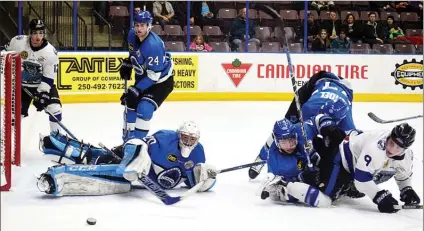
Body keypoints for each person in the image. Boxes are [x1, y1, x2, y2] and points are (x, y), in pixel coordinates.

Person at [262, 123, 420, 213]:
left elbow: (403, 174)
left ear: (405, 149)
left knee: (353, 192)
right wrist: (379, 196)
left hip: (357, 163)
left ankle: (331, 178)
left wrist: (406, 190)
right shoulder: (376, 148)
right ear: (389, 136)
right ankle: (283, 189)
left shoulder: (407, 157)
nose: (391, 149)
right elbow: (362, 181)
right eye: (391, 142)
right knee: (324, 200)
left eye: (398, 148)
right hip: (342, 156)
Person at [36, 121, 217, 197]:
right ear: (179, 135)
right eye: (185, 137)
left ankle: (60, 173)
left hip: (137, 181)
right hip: (129, 160)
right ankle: (53, 143)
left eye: (192, 139)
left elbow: (193, 179)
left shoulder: (198, 152)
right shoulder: (164, 138)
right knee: (94, 157)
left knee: (98, 165)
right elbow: (136, 142)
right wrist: (135, 161)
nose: (188, 142)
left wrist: (207, 178)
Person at [249, 71, 355, 179]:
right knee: (286, 129)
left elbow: (351, 147)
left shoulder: (346, 122)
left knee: (333, 143)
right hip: (315, 85)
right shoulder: (308, 109)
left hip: (338, 89)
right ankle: (261, 158)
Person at [119, 10, 174, 142]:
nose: (139, 29)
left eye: (142, 25)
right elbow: (134, 53)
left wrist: (137, 89)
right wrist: (129, 63)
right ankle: (127, 142)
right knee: (130, 104)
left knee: (144, 108)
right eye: (137, 25)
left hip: (161, 82)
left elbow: (154, 75)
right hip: (145, 77)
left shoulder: (153, 45)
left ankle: (138, 144)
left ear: (149, 26)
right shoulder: (132, 35)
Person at [0, 19, 62, 134]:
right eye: (35, 33)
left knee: (54, 108)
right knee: (15, 115)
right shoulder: (18, 42)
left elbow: (48, 78)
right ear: (30, 33)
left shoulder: (50, 52)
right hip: (21, 87)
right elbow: (4, 52)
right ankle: (4, 138)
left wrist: (42, 93)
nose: (38, 37)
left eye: (41, 33)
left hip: (41, 85)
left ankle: (57, 138)